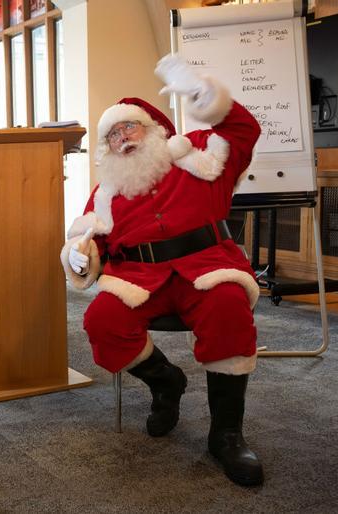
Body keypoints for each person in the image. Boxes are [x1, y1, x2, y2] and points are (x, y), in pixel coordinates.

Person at [60, 54, 264, 486]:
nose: (122, 138)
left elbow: (244, 132)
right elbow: (91, 238)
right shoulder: (107, 191)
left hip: (206, 269)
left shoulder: (199, 159)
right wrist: (80, 254)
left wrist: (200, 92)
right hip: (140, 280)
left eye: (128, 126)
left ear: (154, 130)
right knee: (101, 321)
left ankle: (226, 434)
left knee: (228, 306)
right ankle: (165, 382)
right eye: (112, 134)